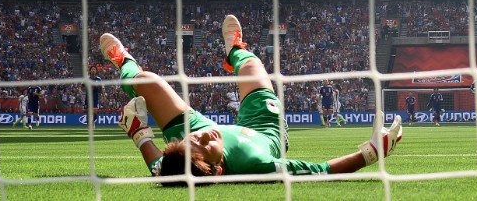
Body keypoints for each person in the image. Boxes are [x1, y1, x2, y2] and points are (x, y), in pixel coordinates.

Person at [100, 14, 403, 184]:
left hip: (192, 128)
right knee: (252, 66)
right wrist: (372, 153)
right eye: (206, 146)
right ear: (218, 170)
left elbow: (158, 166)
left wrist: (140, 134)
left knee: (146, 82)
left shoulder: (181, 155)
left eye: (195, 141)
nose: (204, 137)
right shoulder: (257, 164)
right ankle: (236, 50)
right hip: (263, 132)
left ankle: (125, 61)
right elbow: (321, 170)